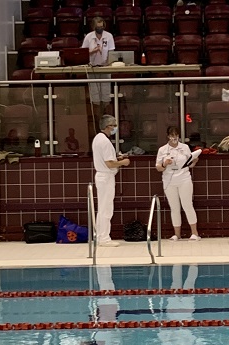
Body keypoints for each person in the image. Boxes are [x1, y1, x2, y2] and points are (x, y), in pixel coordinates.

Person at [156, 126, 200, 241]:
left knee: (187, 205)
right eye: (171, 135)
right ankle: (177, 234)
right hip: (169, 181)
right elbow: (159, 168)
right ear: (168, 136)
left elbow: (189, 164)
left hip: (184, 179)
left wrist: (194, 161)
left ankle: (195, 233)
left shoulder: (185, 148)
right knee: (174, 207)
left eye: (176, 135)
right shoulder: (162, 150)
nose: (174, 138)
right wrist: (165, 164)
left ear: (179, 136)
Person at [92, 114, 130, 247]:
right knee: (106, 208)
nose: (115, 128)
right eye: (114, 126)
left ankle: (100, 236)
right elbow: (109, 163)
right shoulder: (105, 142)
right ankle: (104, 238)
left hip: (101, 176)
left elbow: (107, 160)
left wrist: (116, 159)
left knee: (102, 208)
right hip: (106, 177)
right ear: (108, 127)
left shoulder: (97, 138)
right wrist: (123, 162)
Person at [82, 16, 115, 118]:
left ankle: (106, 115)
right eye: (98, 27)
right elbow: (83, 53)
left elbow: (112, 52)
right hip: (93, 67)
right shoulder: (89, 37)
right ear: (94, 27)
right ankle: (96, 116)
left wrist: (108, 62)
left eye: (101, 26)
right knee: (95, 94)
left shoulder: (109, 36)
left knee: (106, 93)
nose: (100, 28)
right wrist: (93, 51)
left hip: (105, 67)